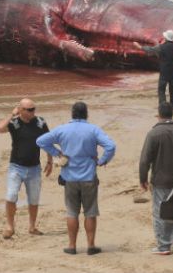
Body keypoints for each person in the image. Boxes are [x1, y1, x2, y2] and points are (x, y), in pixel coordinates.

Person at [36, 101, 116, 256]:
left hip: (69, 177)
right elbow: (110, 146)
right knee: (90, 212)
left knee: (72, 212)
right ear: (86, 113)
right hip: (89, 176)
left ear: (72, 113)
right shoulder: (93, 130)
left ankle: (72, 246)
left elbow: (40, 141)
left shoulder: (62, 129)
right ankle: (91, 246)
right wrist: (102, 161)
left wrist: (57, 153)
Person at [139, 102, 173, 255]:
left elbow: (145, 160)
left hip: (161, 181)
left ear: (159, 115)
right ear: (172, 114)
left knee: (161, 212)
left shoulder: (153, 134)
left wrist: (143, 179)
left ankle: (164, 246)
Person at [0, 98, 53, 239]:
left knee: (33, 199)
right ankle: (10, 227)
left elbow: (48, 141)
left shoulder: (40, 123)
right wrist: (11, 114)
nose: (32, 112)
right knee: (11, 196)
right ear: (20, 110)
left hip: (34, 168)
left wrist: (50, 161)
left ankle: (32, 227)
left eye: (34, 109)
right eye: (29, 109)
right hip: (16, 167)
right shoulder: (14, 123)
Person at [133, 29, 173, 111]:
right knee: (172, 91)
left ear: (165, 37)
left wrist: (139, 46)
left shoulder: (161, 47)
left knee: (161, 91)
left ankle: (163, 109)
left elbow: (150, 50)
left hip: (164, 73)